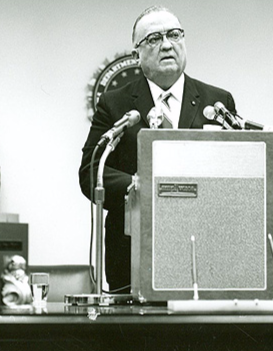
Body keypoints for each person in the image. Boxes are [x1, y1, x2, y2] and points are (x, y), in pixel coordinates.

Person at [79, 6, 237, 293]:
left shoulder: (217, 102)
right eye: (153, 38)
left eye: (174, 34)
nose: (166, 44)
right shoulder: (114, 103)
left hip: (203, 248)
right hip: (134, 250)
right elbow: (91, 171)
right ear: (136, 53)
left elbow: (235, 170)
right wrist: (143, 188)